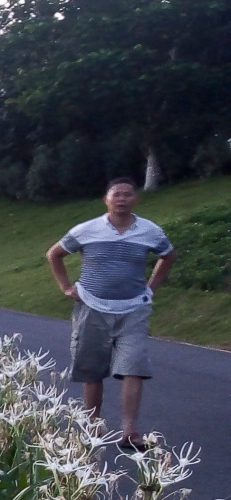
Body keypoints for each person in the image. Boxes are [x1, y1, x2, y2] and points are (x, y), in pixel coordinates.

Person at [46, 177, 176, 450]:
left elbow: (168, 256)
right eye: (117, 194)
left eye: (128, 194)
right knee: (92, 369)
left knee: (134, 368)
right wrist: (66, 287)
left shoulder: (150, 231)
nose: (122, 199)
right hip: (92, 306)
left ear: (136, 199)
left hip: (134, 309)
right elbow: (54, 254)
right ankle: (93, 426)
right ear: (106, 199)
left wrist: (151, 289)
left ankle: (129, 431)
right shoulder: (87, 229)